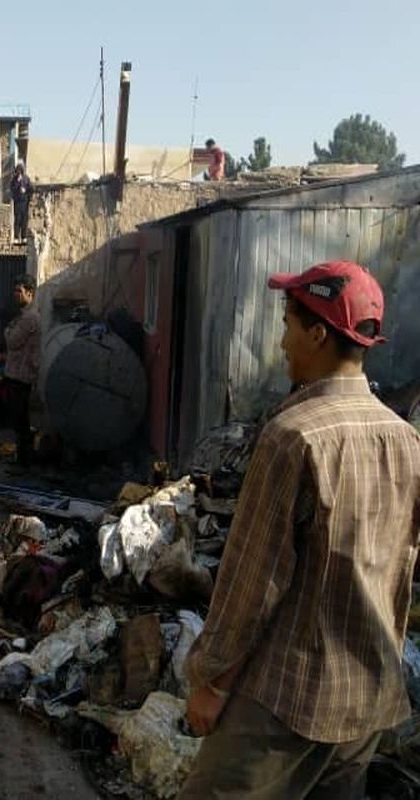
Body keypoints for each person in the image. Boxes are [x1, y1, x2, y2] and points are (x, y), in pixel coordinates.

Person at [179, 260, 420, 799]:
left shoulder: (293, 436)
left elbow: (252, 581)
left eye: (288, 322)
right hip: (367, 699)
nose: (282, 339)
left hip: (288, 702)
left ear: (318, 333)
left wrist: (211, 681)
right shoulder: (406, 440)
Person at [2, 274, 40, 464]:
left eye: (20, 291)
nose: (15, 294)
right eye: (15, 290)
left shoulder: (29, 318)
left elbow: (12, 340)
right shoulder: (24, 316)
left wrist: (7, 330)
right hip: (17, 372)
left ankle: (24, 461)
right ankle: (22, 457)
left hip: (22, 375)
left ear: (30, 293)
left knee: (21, 420)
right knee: (18, 419)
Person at [9, 161, 33, 243]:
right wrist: (17, 183)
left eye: (20, 170)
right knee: (17, 220)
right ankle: (16, 237)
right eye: (17, 171)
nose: (19, 172)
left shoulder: (26, 179)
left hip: (25, 203)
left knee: (24, 220)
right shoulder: (14, 179)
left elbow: (31, 189)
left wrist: (25, 191)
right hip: (17, 202)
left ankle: (23, 237)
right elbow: (12, 190)